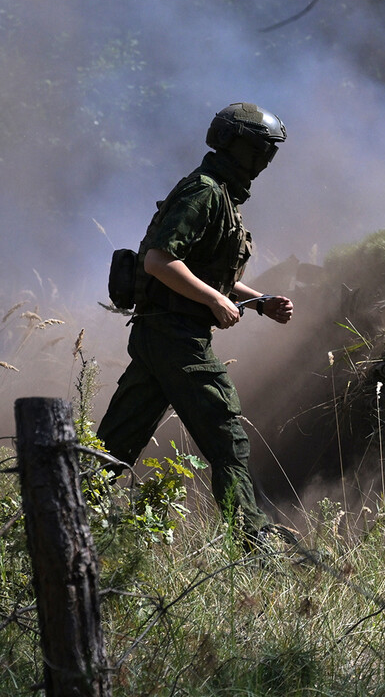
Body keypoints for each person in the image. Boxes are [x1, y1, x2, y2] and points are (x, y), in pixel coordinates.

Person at [97, 102, 294, 546]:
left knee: (111, 449)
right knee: (228, 442)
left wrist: (258, 302)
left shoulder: (221, 193)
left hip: (161, 336)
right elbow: (158, 261)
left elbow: (207, 277)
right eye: (260, 148)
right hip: (176, 336)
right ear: (232, 144)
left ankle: (59, 520)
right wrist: (216, 301)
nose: (265, 160)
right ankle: (254, 543)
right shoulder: (204, 192)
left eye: (271, 151)